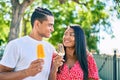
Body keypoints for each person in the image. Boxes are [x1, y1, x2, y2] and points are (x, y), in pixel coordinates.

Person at [0, 7, 55, 80]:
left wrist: (56, 67)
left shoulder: (51, 49)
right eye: (50, 25)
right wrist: (26, 72)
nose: (52, 29)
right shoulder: (16, 45)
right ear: (37, 24)